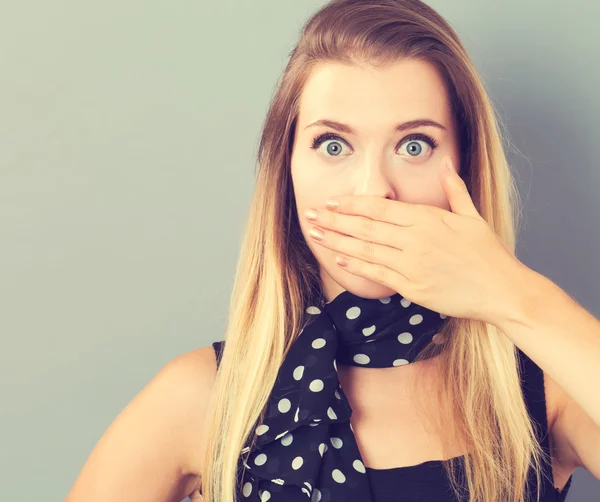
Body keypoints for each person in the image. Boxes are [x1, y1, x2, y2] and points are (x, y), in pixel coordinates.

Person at [64, 1, 600, 501]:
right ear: (287, 171)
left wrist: (512, 295)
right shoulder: (203, 398)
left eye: (414, 145)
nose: (373, 191)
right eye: (333, 145)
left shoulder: (541, 388)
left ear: (464, 166)